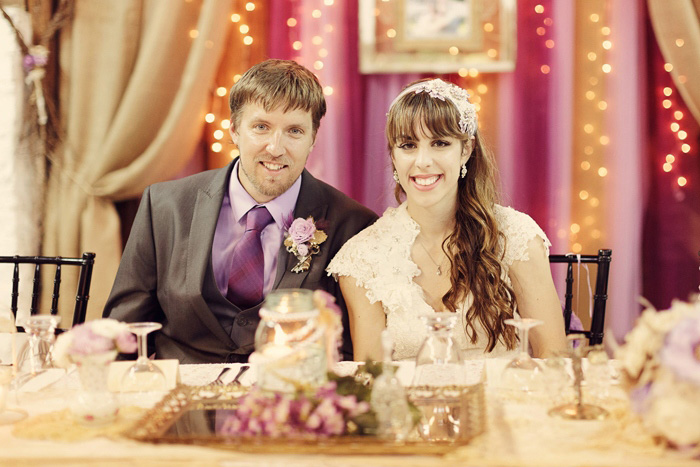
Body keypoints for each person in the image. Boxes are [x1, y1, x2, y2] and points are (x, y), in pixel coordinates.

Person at [104, 59, 377, 363]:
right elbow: (125, 332)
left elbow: (352, 351)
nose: (276, 147)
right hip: (184, 399)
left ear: (313, 138)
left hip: (289, 400)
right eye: (261, 127)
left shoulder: (353, 224)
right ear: (234, 129)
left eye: (295, 131)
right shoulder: (165, 205)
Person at [327, 78, 567, 361]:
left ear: (466, 150)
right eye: (408, 145)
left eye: (440, 143)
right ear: (393, 154)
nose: (423, 161)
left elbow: (554, 358)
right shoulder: (362, 258)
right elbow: (372, 380)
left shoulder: (515, 236)